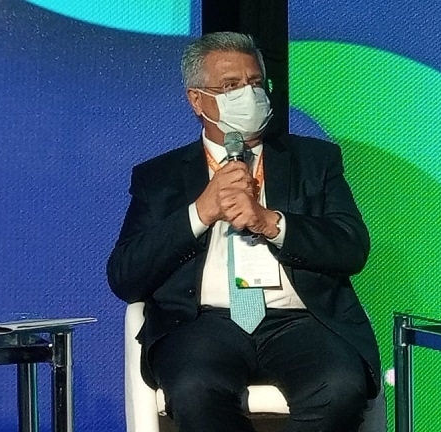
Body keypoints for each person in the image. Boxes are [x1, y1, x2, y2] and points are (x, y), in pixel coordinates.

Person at [106, 32, 381, 432]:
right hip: (202, 323)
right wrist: (200, 212)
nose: (248, 95)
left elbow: (351, 246)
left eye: (255, 83)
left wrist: (271, 222)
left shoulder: (314, 160)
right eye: (231, 86)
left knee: (340, 387)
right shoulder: (159, 177)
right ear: (197, 100)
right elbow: (125, 276)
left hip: (298, 321)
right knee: (196, 390)